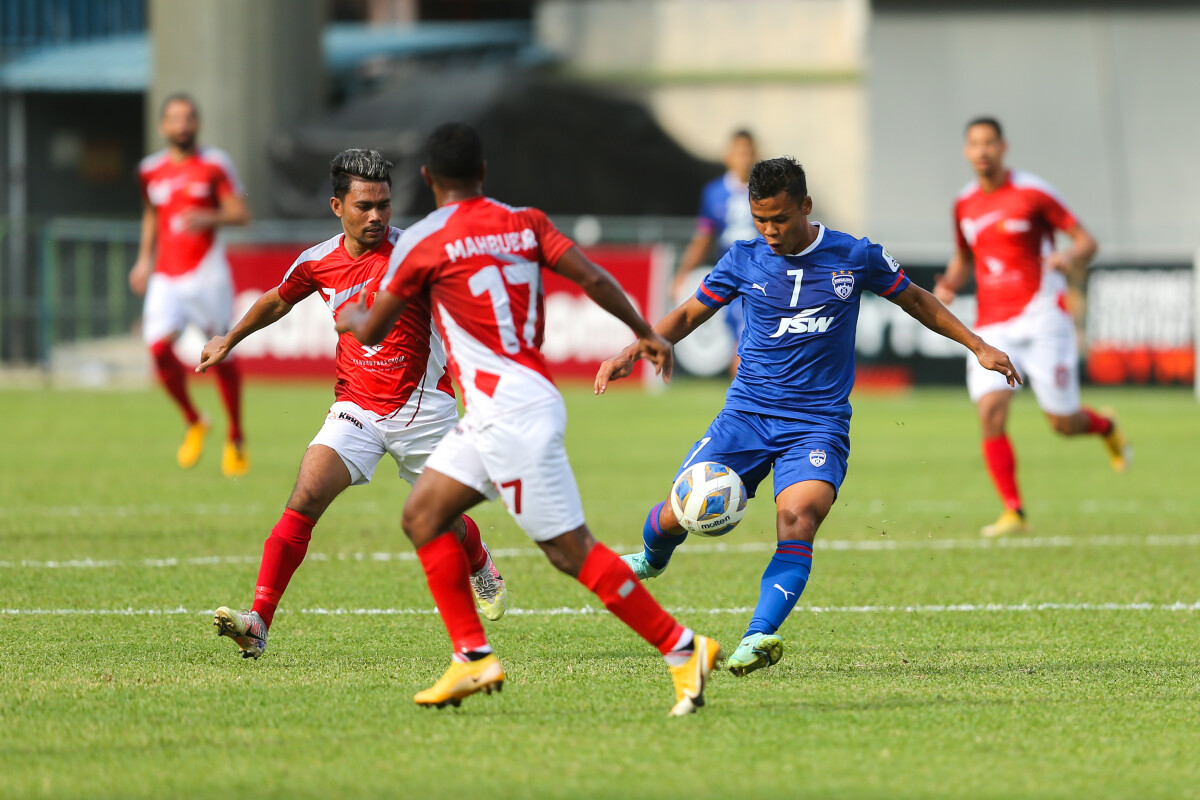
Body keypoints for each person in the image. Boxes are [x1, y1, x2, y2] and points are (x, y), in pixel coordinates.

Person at [337, 123, 721, 716]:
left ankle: (682, 648)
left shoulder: (426, 240)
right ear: (484, 173)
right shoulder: (526, 222)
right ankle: (472, 657)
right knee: (423, 515)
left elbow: (373, 328)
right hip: (516, 402)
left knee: (572, 553)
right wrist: (645, 334)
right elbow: (592, 278)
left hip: (505, 414)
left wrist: (350, 314)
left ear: (427, 180)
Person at [595, 156, 1021, 678]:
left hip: (816, 424)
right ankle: (652, 557)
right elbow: (687, 314)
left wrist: (976, 345)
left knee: (798, 520)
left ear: (805, 206)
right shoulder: (744, 258)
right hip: (746, 414)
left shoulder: (855, 255)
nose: (770, 232)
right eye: (761, 221)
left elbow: (916, 300)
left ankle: (757, 634)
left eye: (780, 219)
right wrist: (633, 349)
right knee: (675, 514)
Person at [196, 149, 507, 660]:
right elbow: (279, 298)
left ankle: (478, 562)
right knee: (306, 494)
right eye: (365, 206)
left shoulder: (419, 253)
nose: (377, 216)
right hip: (356, 409)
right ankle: (258, 622)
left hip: (424, 410)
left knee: (443, 519)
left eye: (384, 205)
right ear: (337, 206)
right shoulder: (318, 261)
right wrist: (230, 338)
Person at [934, 117, 1130, 538]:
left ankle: (1105, 427)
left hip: (1043, 318)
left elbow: (1086, 241)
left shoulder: (1033, 192)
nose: (982, 150)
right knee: (990, 411)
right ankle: (1013, 511)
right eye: (974, 144)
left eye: (989, 142)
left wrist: (1069, 257)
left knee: (1062, 422)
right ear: (966, 151)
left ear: (1003, 147)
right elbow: (965, 258)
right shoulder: (964, 204)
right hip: (993, 325)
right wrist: (949, 283)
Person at [130, 93, 251, 477]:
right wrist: (143, 259)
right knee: (158, 350)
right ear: (163, 125)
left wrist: (209, 215)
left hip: (207, 275)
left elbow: (240, 213)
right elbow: (151, 214)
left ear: (196, 124)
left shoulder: (215, 164)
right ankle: (195, 419)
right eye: (174, 119)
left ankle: (235, 435)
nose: (182, 125)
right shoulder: (150, 170)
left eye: (188, 118)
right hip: (166, 274)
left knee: (220, 354)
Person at [671, 130, 760, 374]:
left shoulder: (767, 190)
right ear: (728, 156)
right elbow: (703, 238)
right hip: (731, 277)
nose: (744, 158)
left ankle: (746, 404)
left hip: (762, 275)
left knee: (747, 346)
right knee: (741, 343)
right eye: (739, 152)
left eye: (748, 153)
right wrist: (683, 273)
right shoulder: (714, 193)